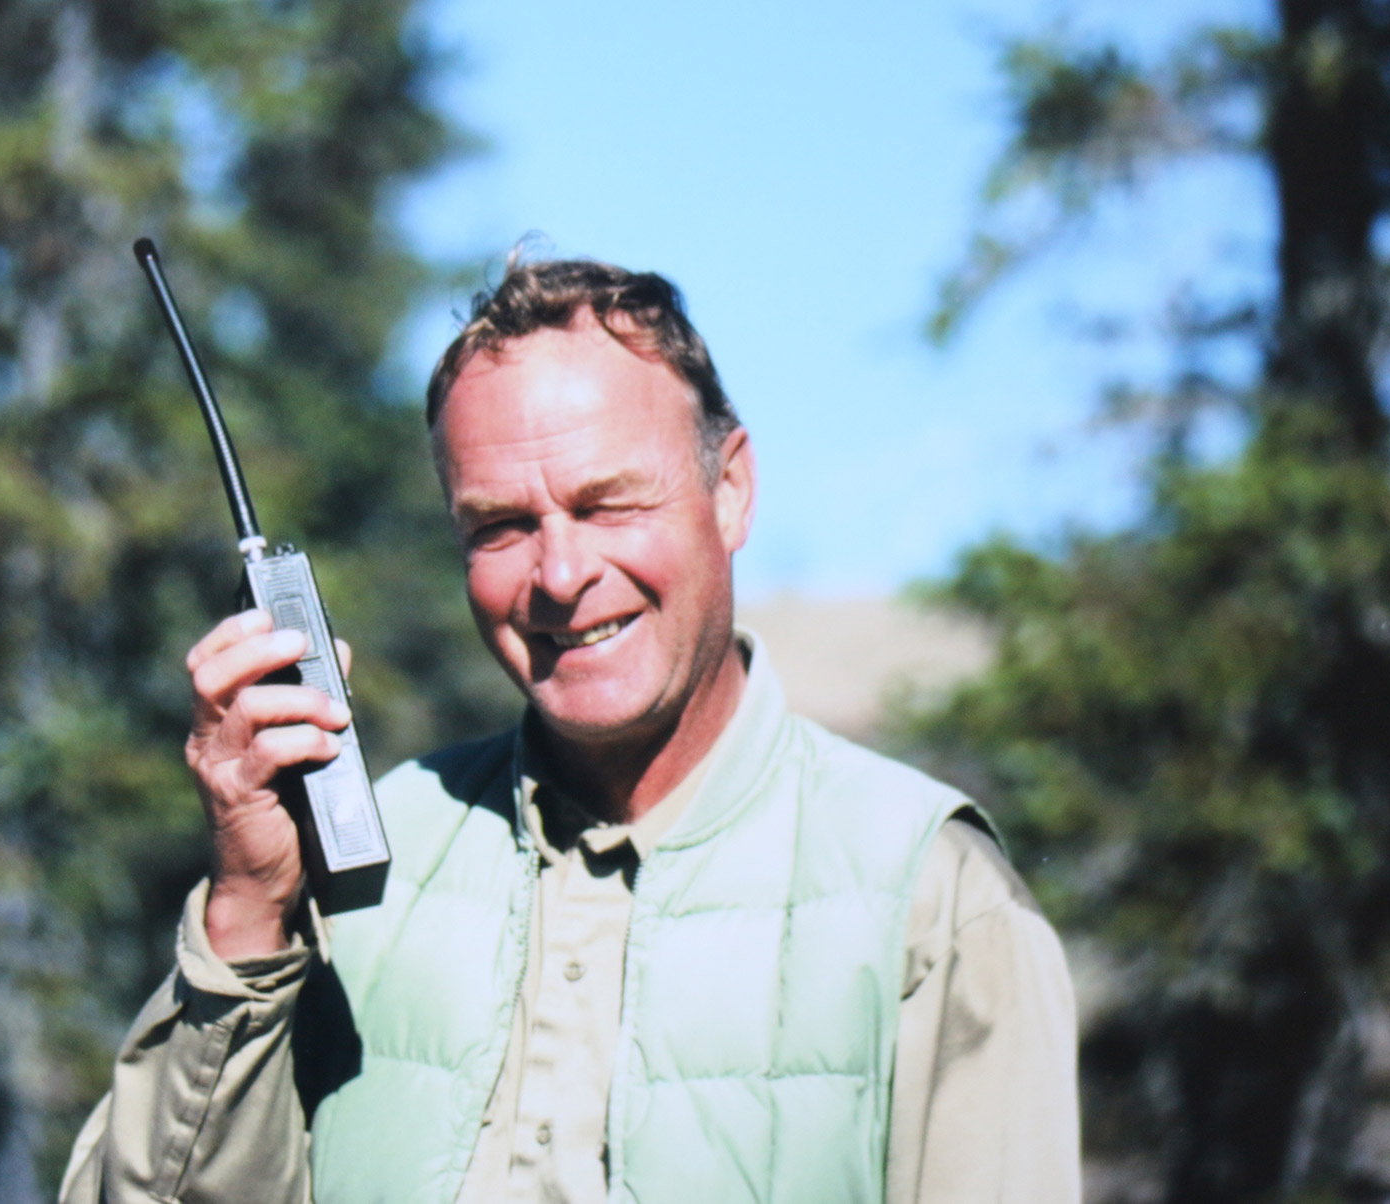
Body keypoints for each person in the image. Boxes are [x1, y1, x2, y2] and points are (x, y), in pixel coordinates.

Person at [60, 257, 1080, 1203]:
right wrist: (247, 912)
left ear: (731, 490)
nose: (558, 575)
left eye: (609, 503)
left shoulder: (933, 896)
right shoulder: (349, 871)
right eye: (501, 525)